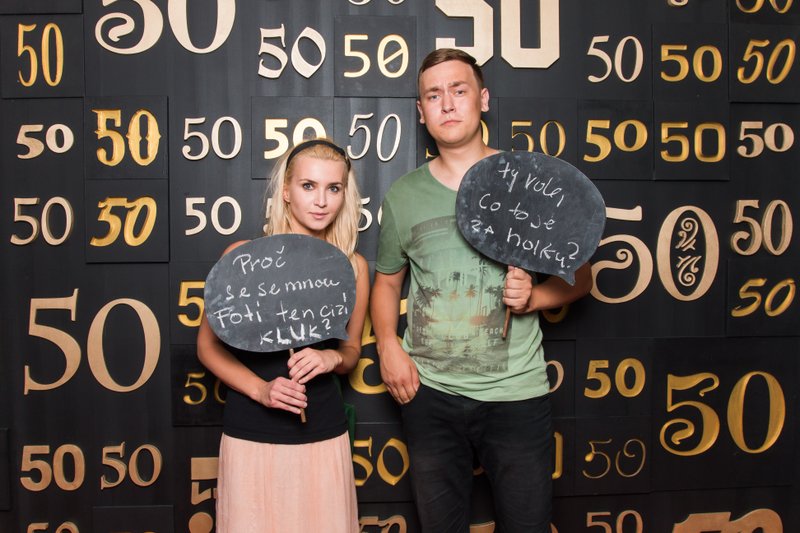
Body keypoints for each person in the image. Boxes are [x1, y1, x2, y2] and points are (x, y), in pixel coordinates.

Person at [370, 48, 593, 532]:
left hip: (516, 395)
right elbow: (386, 281)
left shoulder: (529, 183)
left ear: (483, 99)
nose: (447, 104)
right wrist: (387, 344)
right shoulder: (403, 195)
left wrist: (535, 298)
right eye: (434, 95)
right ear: (421, 112)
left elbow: (583, 278)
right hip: (429, 393)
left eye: (459, 90)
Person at [197, 138, 369, 533]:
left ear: (345, 194)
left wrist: (331, 358)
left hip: (322, 434)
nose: (321, 201)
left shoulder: (353, 266)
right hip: (251, 435)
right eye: (308, 186)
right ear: (287, 191)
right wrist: (260, 389)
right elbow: (206, 347)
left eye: (333, 188)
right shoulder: (242, 256)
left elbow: (352, 351)